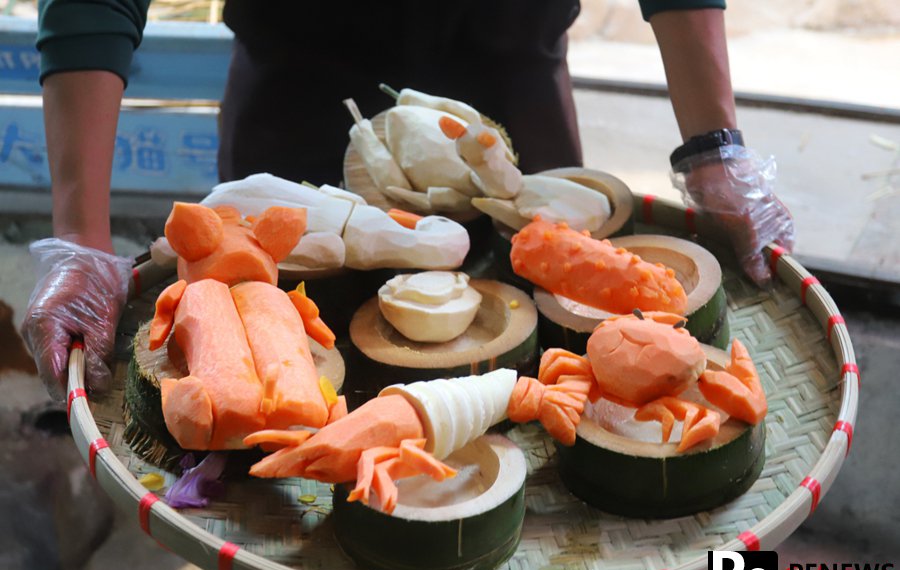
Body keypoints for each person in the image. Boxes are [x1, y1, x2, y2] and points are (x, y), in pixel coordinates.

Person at [24, 0, 794, 402]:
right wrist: (80, 241)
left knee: (556, 383)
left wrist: (713, 146)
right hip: (299, 108)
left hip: (510, 116)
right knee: (279, 404)